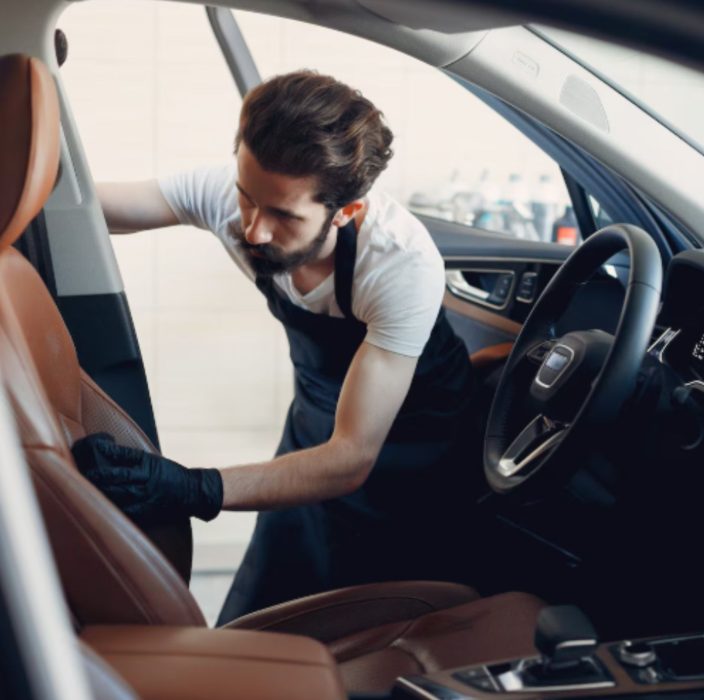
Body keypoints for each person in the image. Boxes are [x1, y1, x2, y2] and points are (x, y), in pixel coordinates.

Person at [90, 70, 475, 624]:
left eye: (284, 216)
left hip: (414, 448)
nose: (254, 231)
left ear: (347, 212)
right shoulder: (232, 196)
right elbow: (92, 207)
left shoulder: (398, 265)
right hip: (318, 421)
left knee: (380, 620)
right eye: (248, 198)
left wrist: (196, 488)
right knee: (267, 607)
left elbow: (349, 460)